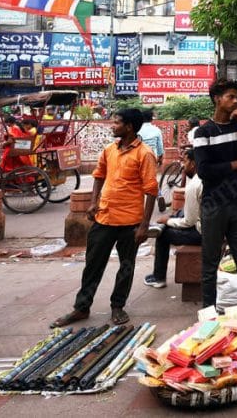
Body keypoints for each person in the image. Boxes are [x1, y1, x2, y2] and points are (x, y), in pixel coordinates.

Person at [50, 108, 158, 328]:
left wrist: (144, 226)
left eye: (117, 122)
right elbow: (99, 176)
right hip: (104, 217)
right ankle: (81, 307)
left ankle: (117, 307)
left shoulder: (144, 153)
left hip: (130, 222)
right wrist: (93, 202)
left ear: (128, 127)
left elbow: (151, 191)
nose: (113, 126)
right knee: (93, 265)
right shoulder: (109, 150)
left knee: (126, 266)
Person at [193, 80, 237, 314]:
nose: (235, 101)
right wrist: (233, 165)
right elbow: (203, 170)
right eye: (230, 97)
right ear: (216, 99)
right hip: (214, 205)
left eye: (236, 97)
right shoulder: (203, 132)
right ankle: (209, 314)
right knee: (210, 263)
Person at [144, 150, 202, 288]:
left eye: (185, 162)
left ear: (193, 164)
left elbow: (189, 222)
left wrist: (168, 221)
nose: (183, 166)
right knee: (179, 212)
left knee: (163, 235)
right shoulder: (205, 178)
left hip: (202, 234)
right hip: (211, 227)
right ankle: (165, 222)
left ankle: (159, 278)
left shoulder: (194, 186)